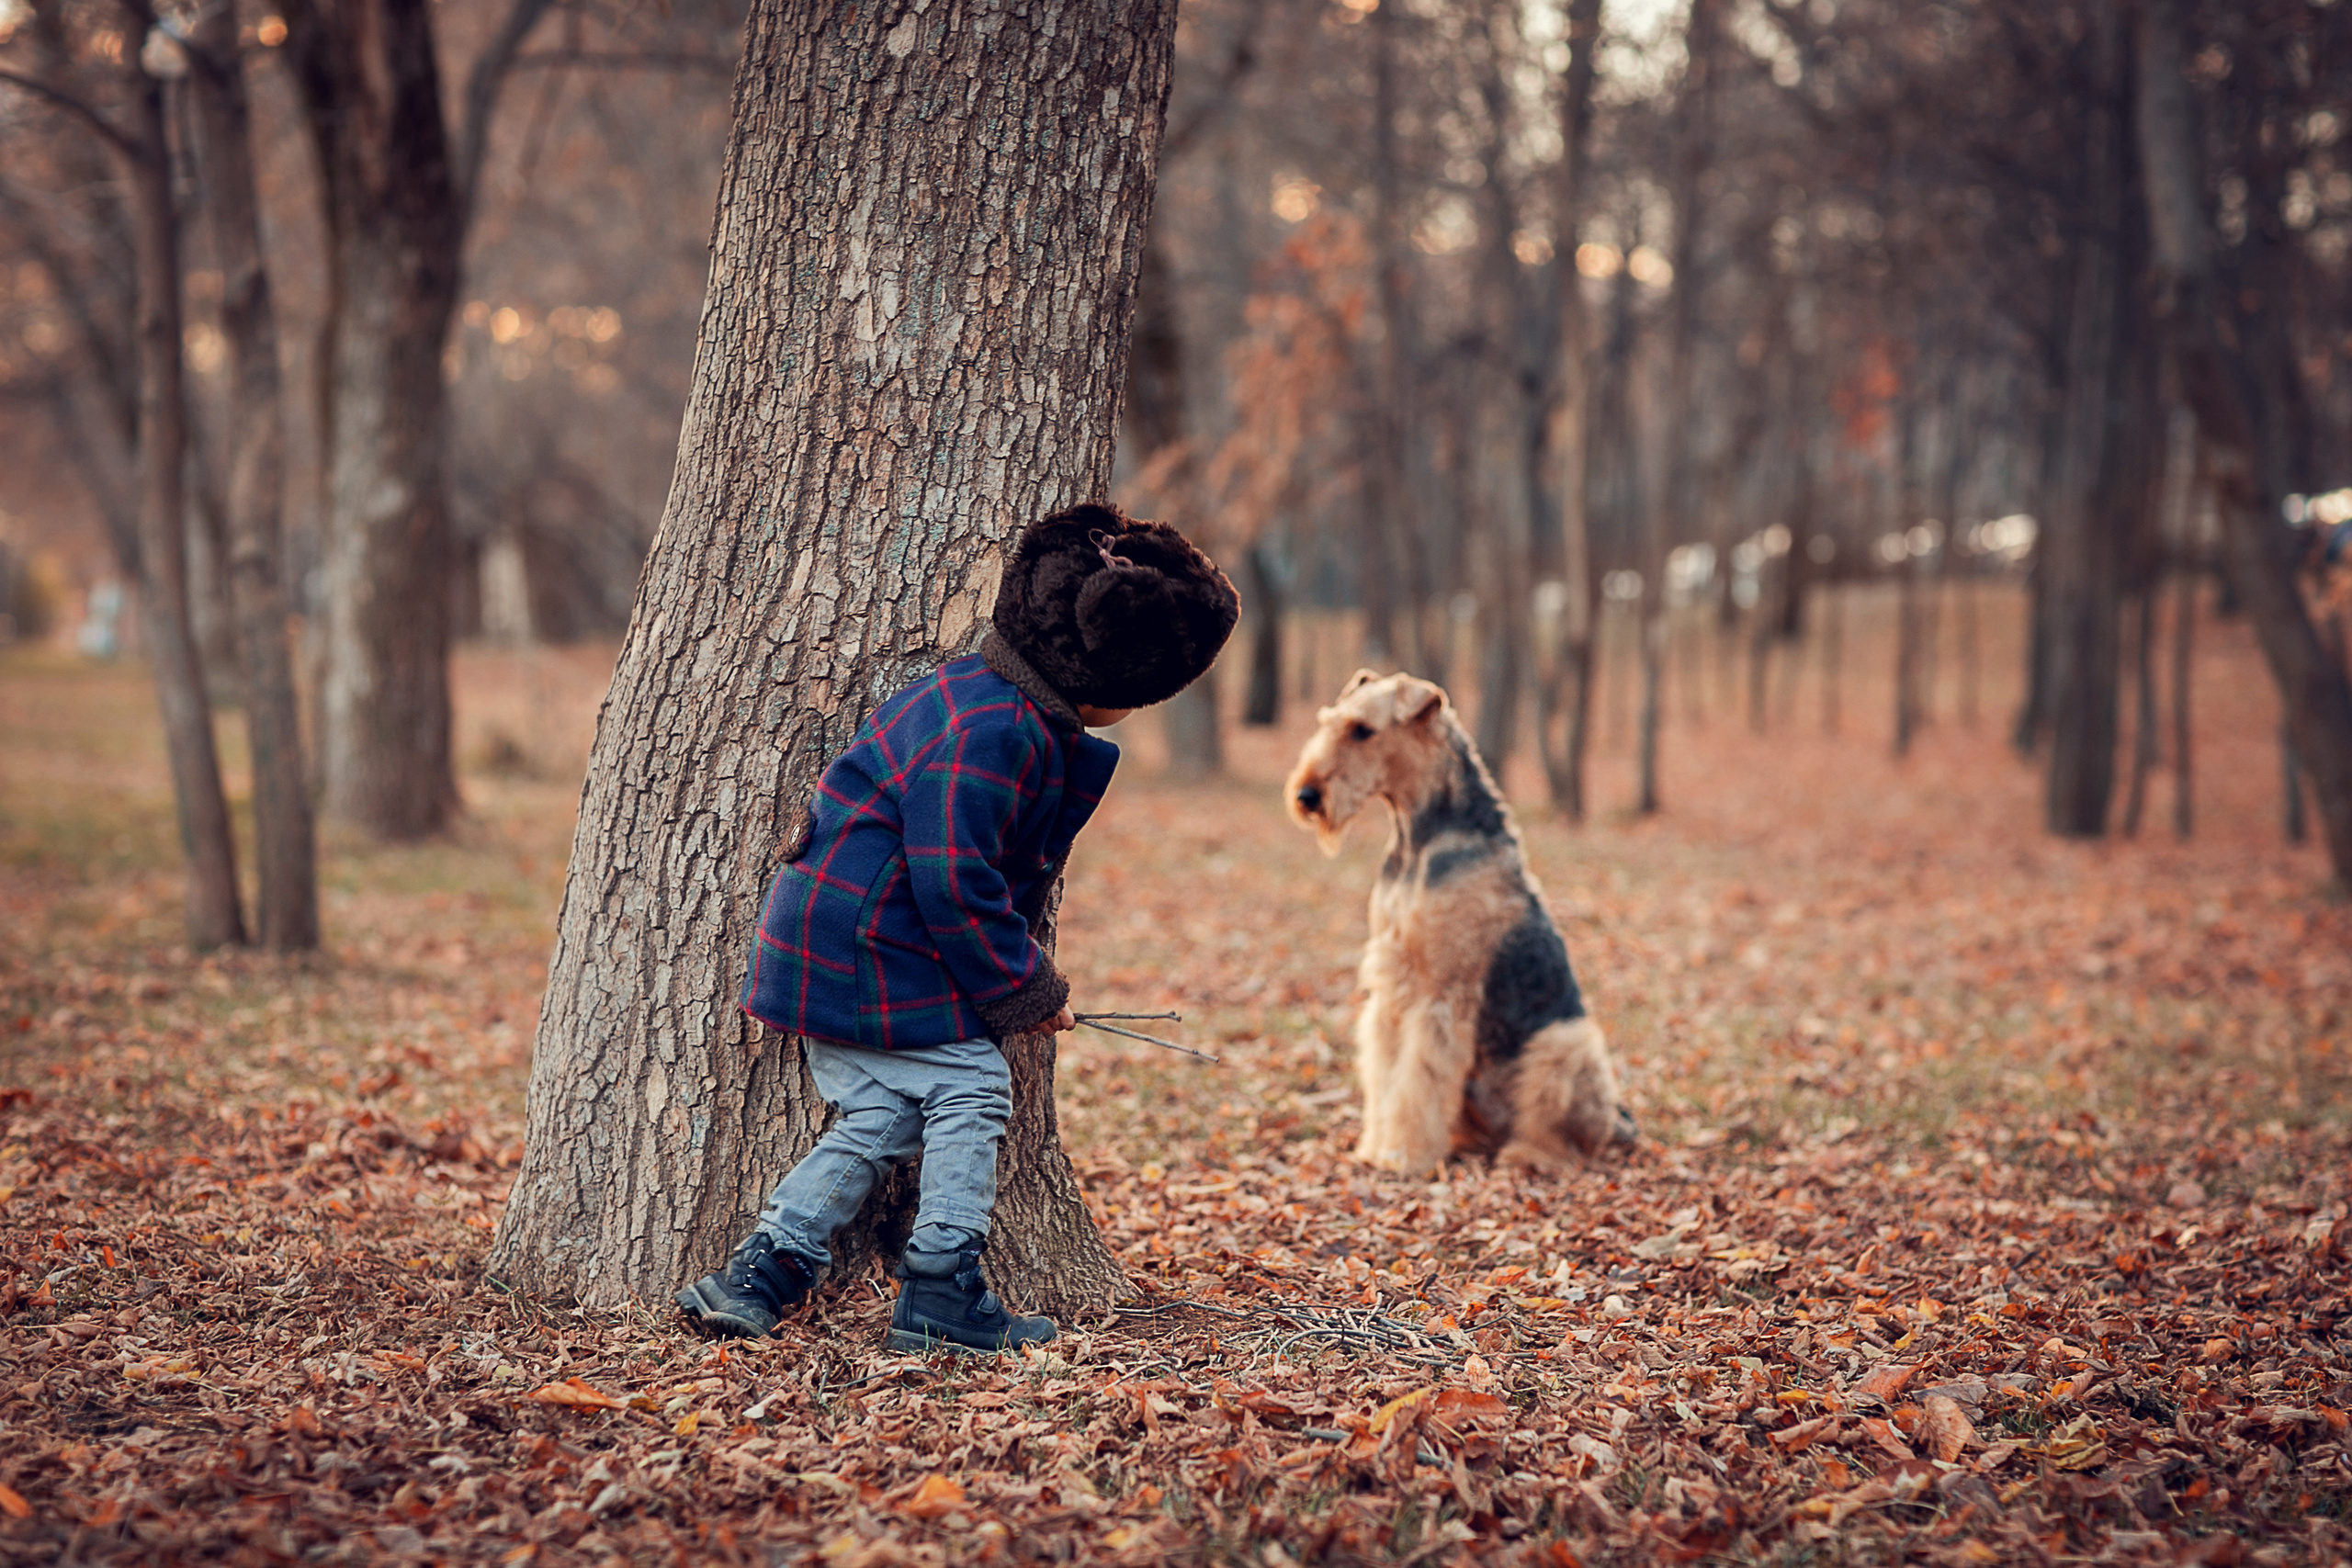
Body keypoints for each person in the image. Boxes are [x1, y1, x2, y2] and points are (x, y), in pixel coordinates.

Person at [677, 503, 1238, 1352]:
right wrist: (1026, 988)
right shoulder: (990, 733)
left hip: (835, 949)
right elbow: (955, 882)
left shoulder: (982, 699)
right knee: (974, 1085)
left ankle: (765, 1266)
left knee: (882, 1116)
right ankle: (941, 1284)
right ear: (1115, 682)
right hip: (867, 953)